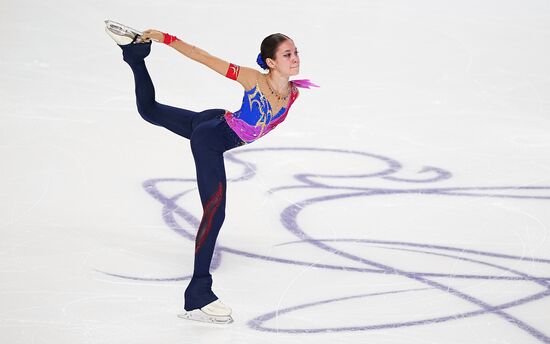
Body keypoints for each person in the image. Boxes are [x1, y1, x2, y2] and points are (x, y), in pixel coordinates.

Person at [104, 20, 317, 324]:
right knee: (214, 212)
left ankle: (133, 55)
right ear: (270, 62)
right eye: (287, 54)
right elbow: (203, 57)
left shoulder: (293, 93)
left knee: (150, 110)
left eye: (295, 52)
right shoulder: (252, 79)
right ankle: (199, 297)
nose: (295, 58)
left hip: (218, 121)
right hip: (211, 140)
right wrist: (167, 38)